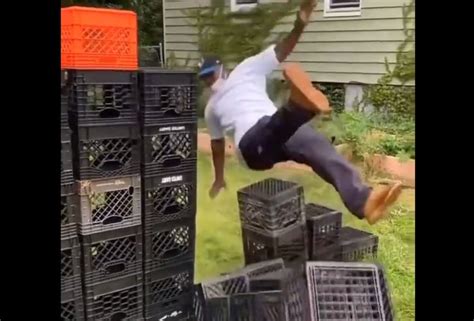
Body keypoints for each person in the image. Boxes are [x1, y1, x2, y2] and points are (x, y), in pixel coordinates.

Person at [198, 0, 402, 224]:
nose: (211, 82)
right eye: (206, 78)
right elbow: (217, 146)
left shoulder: (246, 68)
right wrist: (218, 178)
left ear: (222, 69)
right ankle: (298, 106)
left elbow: (281, 49)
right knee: (271, 126)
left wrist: (300, 23)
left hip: (277, 130)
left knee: (317, 145)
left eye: (212, 75)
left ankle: (364, 202)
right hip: (251, 148)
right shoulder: (212, 108)